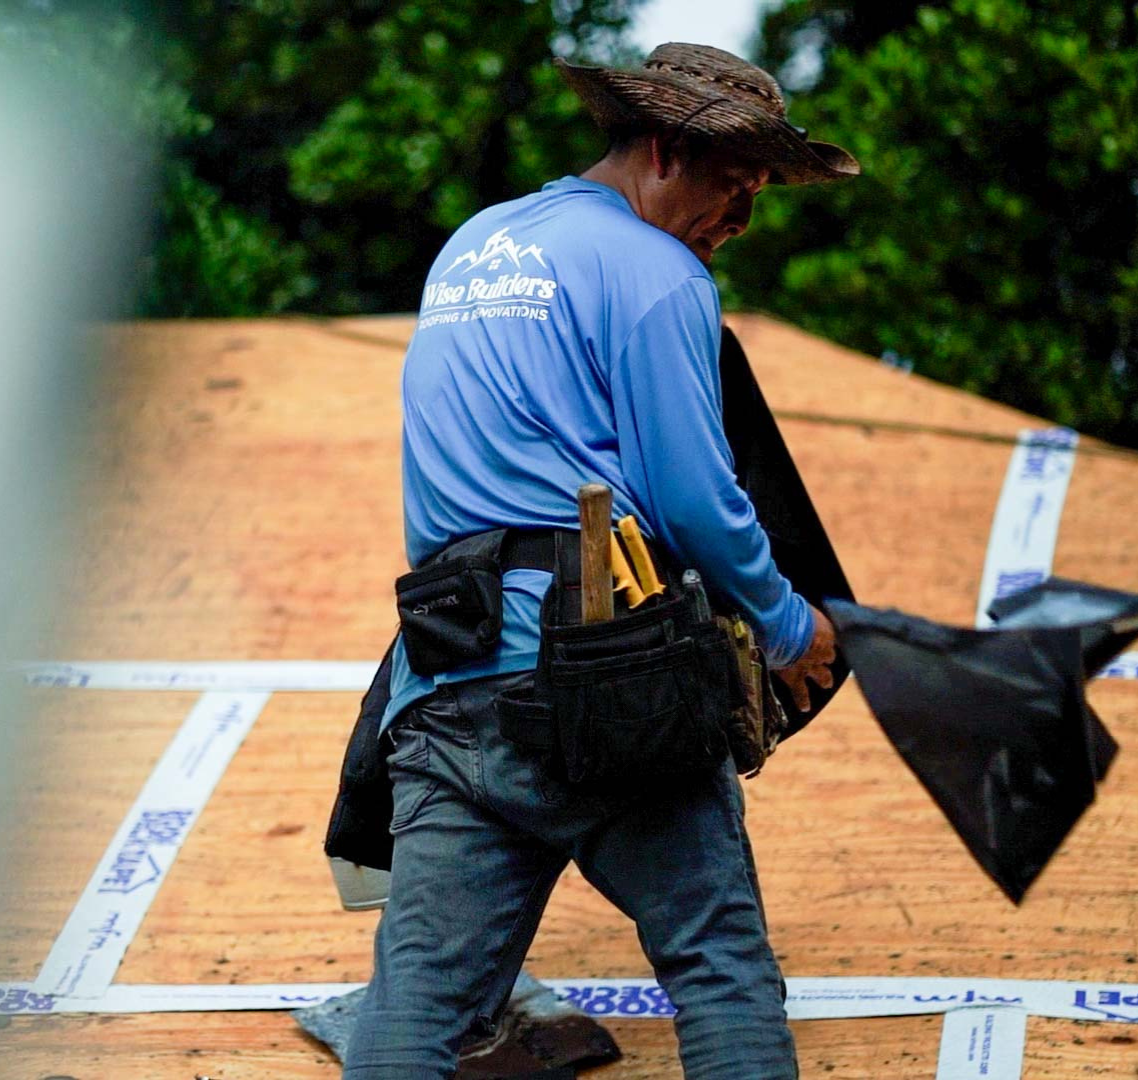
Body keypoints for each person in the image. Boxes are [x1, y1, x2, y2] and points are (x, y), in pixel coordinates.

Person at [343, 44, 856, 1079]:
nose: (741, 222)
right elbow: (695, 501)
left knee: (415, 1013)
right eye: (735, 185)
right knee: (721, 969)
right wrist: (793, 625)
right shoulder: (660, 274)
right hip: (599, 674)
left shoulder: (473, 247)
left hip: (445, 678)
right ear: (666, 151)